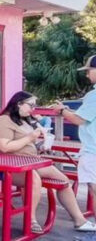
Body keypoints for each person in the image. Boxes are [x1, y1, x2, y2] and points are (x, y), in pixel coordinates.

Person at [0, 91, 96, 233]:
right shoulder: (3, 121)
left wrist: (40, 147)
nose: (33, 109)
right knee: (33, 178)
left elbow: (25, 145)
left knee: (63, 181)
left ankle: (79, 220)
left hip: (29, 162)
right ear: (18, 104)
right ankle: (31, 220)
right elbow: (5, 147)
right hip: (6, 167)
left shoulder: (24, 120)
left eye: (35, 106)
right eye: (30, 105)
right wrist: (31, 137)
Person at [53, 54, 96, 224]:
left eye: (90, 70)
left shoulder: (94, 96)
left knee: (94, 187)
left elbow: (79, 119)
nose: (87, 74)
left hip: (93, 150)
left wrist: (61, 110)